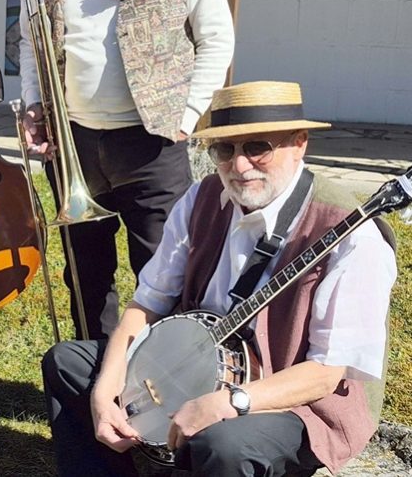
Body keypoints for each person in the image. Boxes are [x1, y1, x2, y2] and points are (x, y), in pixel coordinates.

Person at [42, 80, 396, 476]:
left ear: (299, 144)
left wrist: (230, 402)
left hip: (293, 402)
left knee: (222, 443)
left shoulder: (351, 234)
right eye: (225, 150)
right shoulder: (200, 199)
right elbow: (146, 303)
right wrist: (105, 390)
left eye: (258, 147)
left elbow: (325, 374)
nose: (239, 166)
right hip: (196, 366)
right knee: (68, 363)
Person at [19, 0, 235, 339]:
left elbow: (216, 35)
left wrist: (185, 114)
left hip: (153, 142)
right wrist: (32, 105)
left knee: (165, 275)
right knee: (85, 278)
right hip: (75, 143)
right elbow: (30, 40)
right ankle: (96, 381)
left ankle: (160, 392)